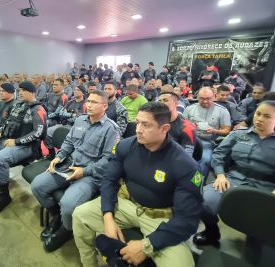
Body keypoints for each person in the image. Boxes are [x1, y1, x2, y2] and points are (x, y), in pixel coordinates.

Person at [72, 102, 203, 267]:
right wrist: (107, 216)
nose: (138, 129)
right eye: (138, 122)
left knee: (181, 264)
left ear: (164, 129)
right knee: (80, 215)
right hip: (127, 204)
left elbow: (188, 219)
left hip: (160, 218)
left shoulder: (185, 165)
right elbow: (109, 180)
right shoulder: (126, 146)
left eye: (146, 125)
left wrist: (146, 246)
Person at [193, 100, 275, 247]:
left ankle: (254, 243)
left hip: (265, 188)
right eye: (258, 114)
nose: (259, 119)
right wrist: (220, 174)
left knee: (258, 224)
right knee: (201, 201)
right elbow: (218, 155)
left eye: (267, 116)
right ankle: (211, 232)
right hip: (231, 180)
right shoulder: (238, 135)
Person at [31, 90, 120, 252]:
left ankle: (66, 230)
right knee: (37, 185)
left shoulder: (111, 129)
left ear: (105, 106)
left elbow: (108, 160)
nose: (89, 104)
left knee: (69, 204)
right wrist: (59, 157)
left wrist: (84, 171)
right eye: (88, 101)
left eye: (94, 102)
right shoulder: (80, 120)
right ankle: (56, 216)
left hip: (90, 175)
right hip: (68, 165)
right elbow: (69, 142)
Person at [0, 81, 47, 217]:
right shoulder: (19, 105)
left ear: (32, 92)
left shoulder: (38, 109)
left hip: (26, 146)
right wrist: (1, 131)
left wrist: (16, 141)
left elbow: (39, 133)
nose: (21, 92)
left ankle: (4, 196)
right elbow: (9, 122)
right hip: (8, 139)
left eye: (24, 90)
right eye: (20, 90)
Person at [183, 87, 231, 177]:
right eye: (202, 98)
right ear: (197, 97)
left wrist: (215, 131)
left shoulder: (222, 111)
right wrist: (190, 127)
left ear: (214, 97)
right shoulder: (189, 109)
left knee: (205, 159)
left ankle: (197, 182)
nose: (205, 101)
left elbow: (227, 130)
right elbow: (182, 126)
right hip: (189, 139)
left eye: (208, 98)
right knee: (179, 156)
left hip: (208, 141)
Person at [44, 85, 88, 160]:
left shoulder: (85, 104)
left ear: (83, 93)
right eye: (75, 90)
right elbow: (60, 113)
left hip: (76, 128)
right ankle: (52, 153)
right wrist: (71, 115)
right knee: (46, 133)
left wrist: (67, 115)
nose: (75, 91)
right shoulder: (70, 102)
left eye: (78, 90)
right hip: (63, 124)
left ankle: (68, 157)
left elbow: (79, 119)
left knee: (67, 139)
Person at [158, 91, 197, 157]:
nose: (162, 104)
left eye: (165, 100)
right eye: (160, 101)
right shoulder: (154, 123)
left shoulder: (187, 128)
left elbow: (186, 158)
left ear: (176, 103)